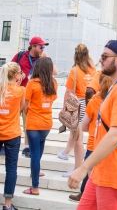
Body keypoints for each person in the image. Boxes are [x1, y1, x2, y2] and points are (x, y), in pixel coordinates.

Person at [68, 39, 117, 210]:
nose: (100, 60)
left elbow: (116, 135)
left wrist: (83, 167)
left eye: (104, 56)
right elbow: (97, 125)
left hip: (115, 173)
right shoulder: (116, 86)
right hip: (102, 170)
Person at [68, 73, 112, 202]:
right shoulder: (116, 99)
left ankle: (86, 195)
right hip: (109, 145)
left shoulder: (94, 100)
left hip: (94, 142)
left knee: (90, 170)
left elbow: (84, 126)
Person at [58, 44, 97, 178]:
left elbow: (69, 93)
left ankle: (77, 169)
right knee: (79, 136)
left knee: (78, 139)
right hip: (92, 103)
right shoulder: (93, 69)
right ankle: (73, 160)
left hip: (79, 105)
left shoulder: (74, 70)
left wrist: (65, 109)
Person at [24, 57, 58, 195]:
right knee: (38, 152)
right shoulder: (53, 84)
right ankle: (36, 171)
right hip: (46, 124)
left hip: (33, 124)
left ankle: (35, 187)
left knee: (34, 154)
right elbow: (53, 100)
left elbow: (25, 106)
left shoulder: (32, 83)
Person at [11, 36, 48, 158]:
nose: (43, 48)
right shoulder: (21, 56)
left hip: (31, 97)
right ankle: (6, 142)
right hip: (17, 94)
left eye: (43, 46)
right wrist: (18, 75)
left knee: (28, 123)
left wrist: (45, 59)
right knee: (11, 119)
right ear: (33, 46)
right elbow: (9, 69)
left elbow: (53, 72)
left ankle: (27, 147)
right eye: (40, 46)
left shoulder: (43, 59)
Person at [0, 62, 25, 210]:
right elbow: (22, 108)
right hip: (12, 134)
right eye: (20, 72)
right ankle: (7, 205)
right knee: (11, 169)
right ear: (16, 75)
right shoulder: (20, 90)